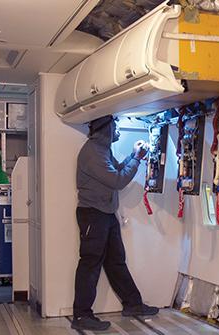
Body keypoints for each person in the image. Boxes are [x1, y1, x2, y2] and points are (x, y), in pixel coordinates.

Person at [71, 115, 158, 331]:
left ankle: (133, 304)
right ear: (106, 128)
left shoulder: (102, 149)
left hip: (105, 213)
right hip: (93, 214)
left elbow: (117, 168)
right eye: (115, 125)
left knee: (116, 261)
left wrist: (132, 155)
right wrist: (137, 159)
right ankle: (81, 315)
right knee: (90, 264)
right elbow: (117, 180)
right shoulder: (92, 152)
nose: (117, 129)